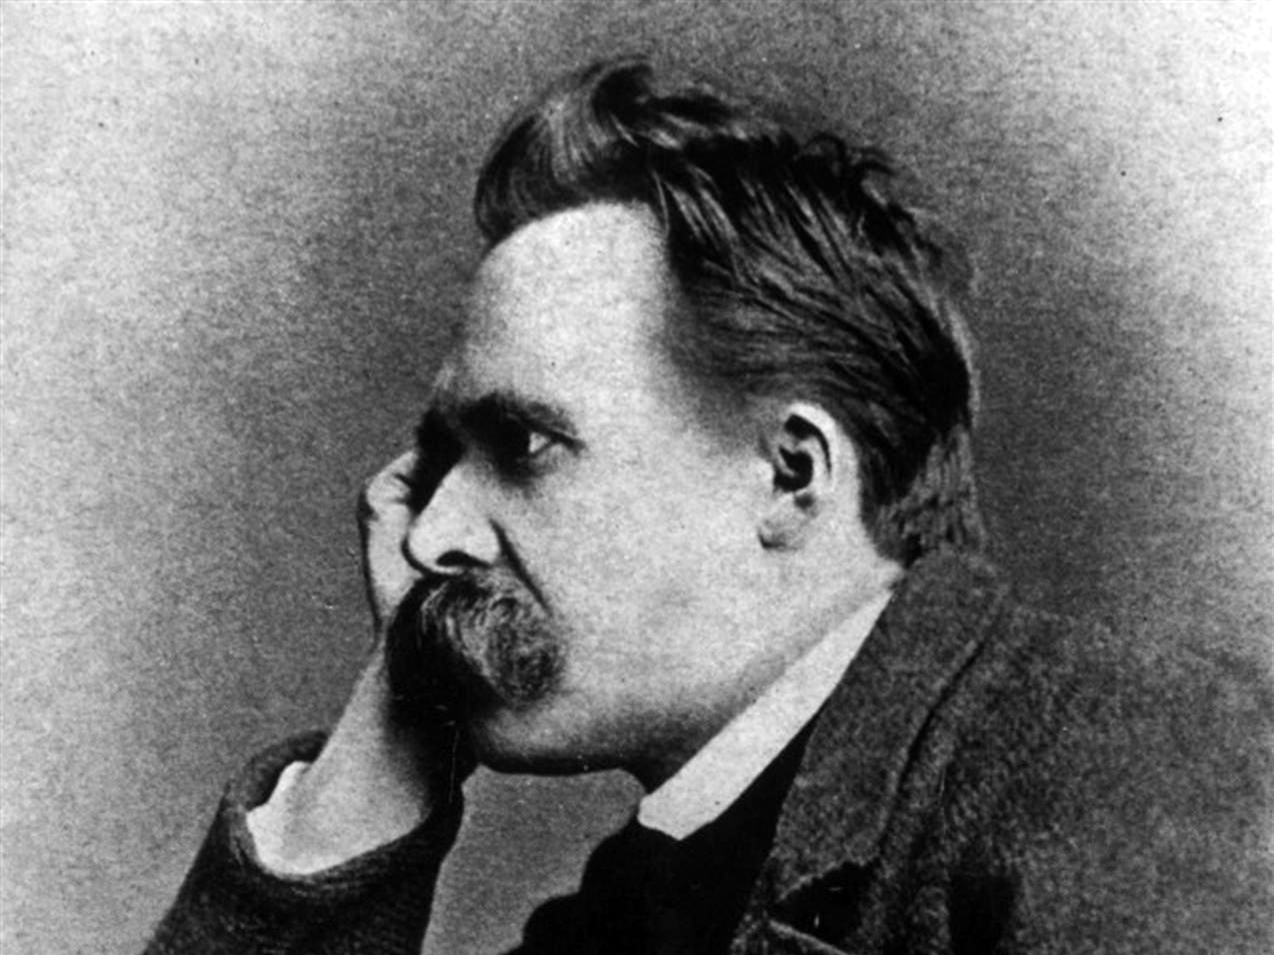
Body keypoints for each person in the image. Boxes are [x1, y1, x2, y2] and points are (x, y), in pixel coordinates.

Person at [146, 57, 1270, 954]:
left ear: (791, 476)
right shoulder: (620, 919)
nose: (431, 535)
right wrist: (393, 728)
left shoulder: (1131, 761)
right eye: (443, 459)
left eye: (524, 443)